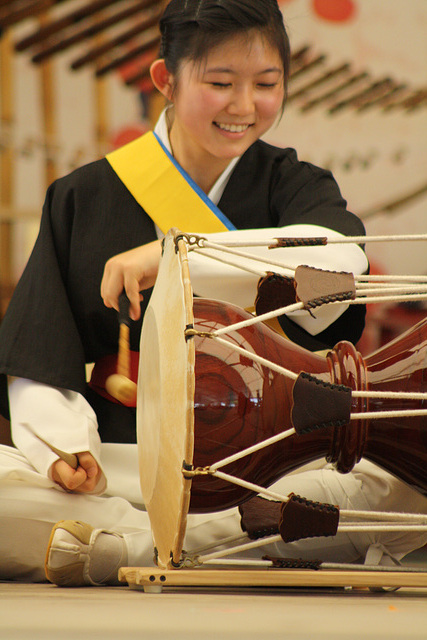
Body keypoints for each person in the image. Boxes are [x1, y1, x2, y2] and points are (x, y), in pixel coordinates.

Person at [0, 0, 426, 585]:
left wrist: (179, 255)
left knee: (388, 485)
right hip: (122, 468)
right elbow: (38, 350)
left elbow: (341, 257)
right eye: (220, 82)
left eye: (266, 84)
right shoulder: (82, 196)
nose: (244, 106)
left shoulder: (294, 184)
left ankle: (128, 547)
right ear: (165, 80)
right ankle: (165, 540)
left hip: (272, 469)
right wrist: (64, 450)